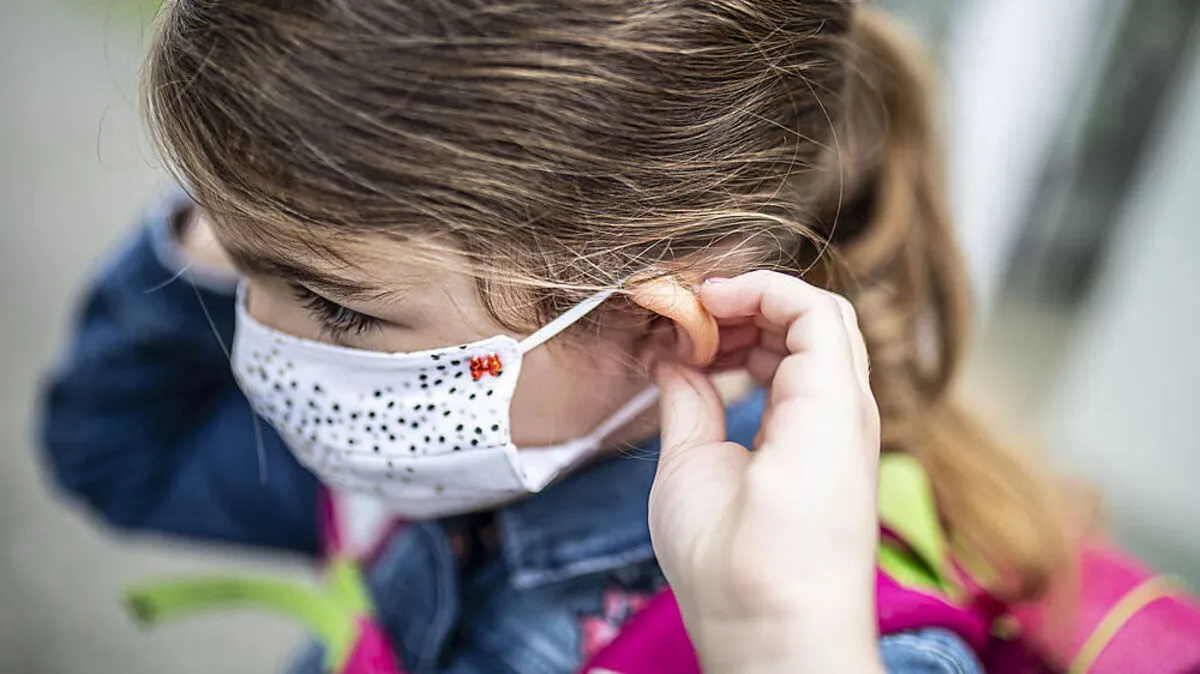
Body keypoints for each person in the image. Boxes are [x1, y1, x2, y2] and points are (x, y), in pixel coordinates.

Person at [38, 1, 1200, 672]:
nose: (261, 340)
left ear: (659, 322)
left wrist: (783, 644)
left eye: (336, 303)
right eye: (236, 265)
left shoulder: (845, 634)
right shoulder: (412, 468)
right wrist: (228, 218)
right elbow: (118, 456)